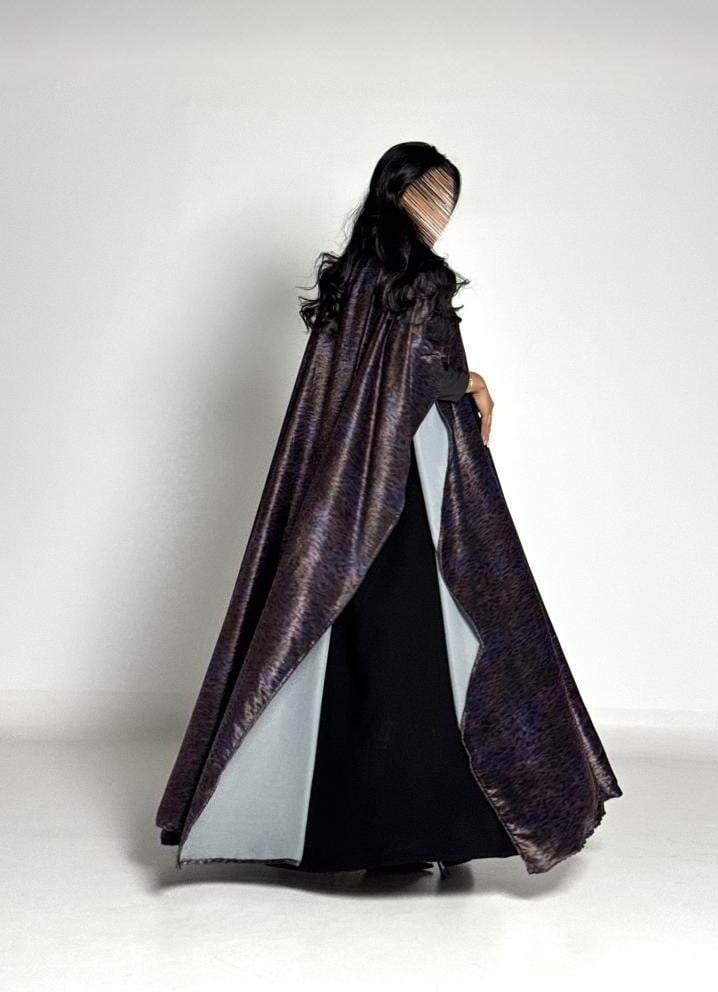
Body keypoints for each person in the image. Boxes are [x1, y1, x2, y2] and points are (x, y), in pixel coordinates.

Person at [155, 142, 623, 880]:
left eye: (448, 199)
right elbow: (419, 374)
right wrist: (472, 379)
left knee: (359, 644)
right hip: (408, 484)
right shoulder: (415, 277)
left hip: (345, 494)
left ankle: (367, 834)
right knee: (426, 644)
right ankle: (425, 831)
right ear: (395, 193)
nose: (440, 213)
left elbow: (367, 382)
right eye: (428, 195)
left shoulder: (352, 275)